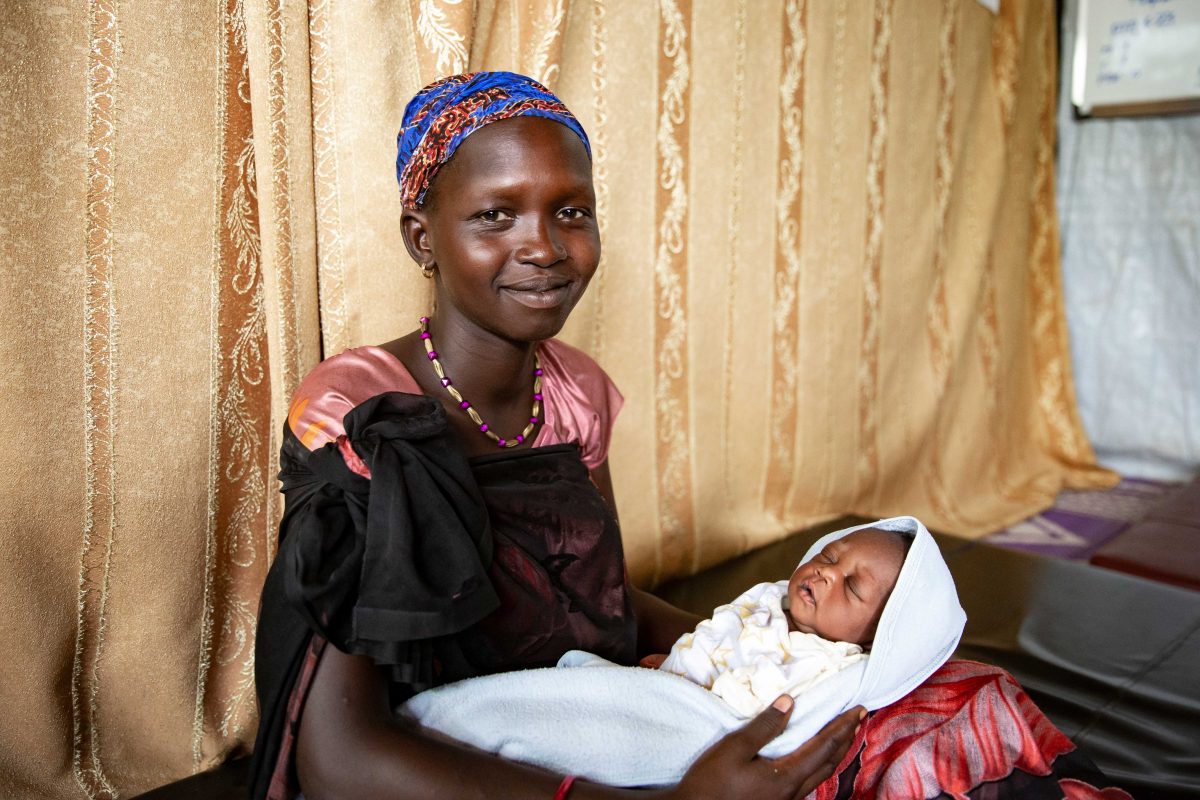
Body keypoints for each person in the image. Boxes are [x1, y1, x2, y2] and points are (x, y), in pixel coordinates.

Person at [249, 71, 862, 800]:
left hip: (580, 732)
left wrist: (778, 652)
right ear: (423, 238)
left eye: (571, 211)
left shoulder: (575, 393)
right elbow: (340, 759)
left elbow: (598, 605)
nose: (543, 246)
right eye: (495, 216)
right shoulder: (356, 414)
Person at [654, 527, 913, 718]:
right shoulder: (771, 598)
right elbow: (717, 634)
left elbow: (759, 710)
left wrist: (688, 685)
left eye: (852, 586)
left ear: (876, 634)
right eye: (829, 556)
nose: (828, 572)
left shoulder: (830, 665)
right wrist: (680, 661)